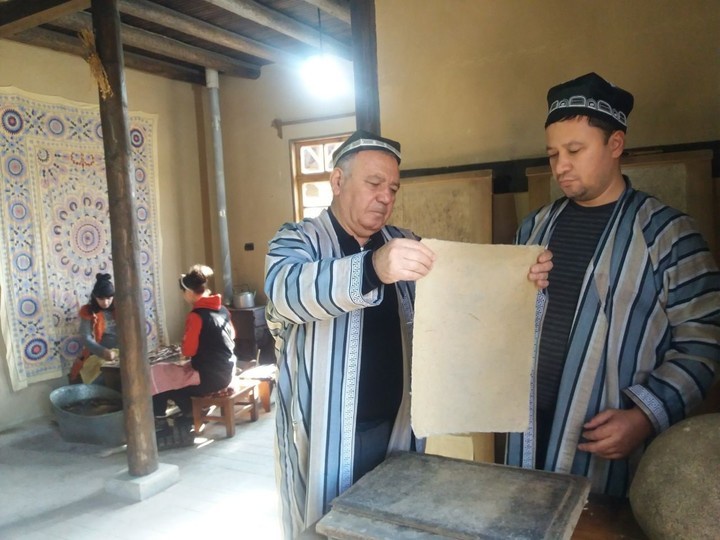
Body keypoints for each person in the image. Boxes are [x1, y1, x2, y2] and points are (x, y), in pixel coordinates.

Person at [265, 130, 553, 537]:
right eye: (374, 183)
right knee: (328, 528)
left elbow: (463, 299)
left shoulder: (403, 242)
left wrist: (523, 281)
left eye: (393, 188)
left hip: (396, 425)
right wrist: (373, 268)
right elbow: (285, 293)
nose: (385, 197)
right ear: (338, 181)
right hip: (324, 427)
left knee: (391, 524)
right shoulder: (298, 239)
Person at [508, 72, 720, 496]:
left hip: (608, 443)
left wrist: (644, 416)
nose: (560, 166)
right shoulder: (534, 228)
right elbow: (505, 320)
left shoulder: (668, 235)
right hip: (526, 430)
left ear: (616, 144)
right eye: (552, 154)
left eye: (574, 150)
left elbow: (705, 341)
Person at [152, 264, 237, 446]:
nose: (183, 296)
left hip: (210, 378)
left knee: (160, 379)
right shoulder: (222, 310)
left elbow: (188, 351)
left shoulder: (196, 316)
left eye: (183, 292)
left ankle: (164, 424)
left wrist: (186, 346)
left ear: (189, 292)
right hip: (228, 369)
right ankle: (190, 413)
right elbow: (233, 336)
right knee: (171, 378)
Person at [69, 272, 118, 384]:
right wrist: (103, 352)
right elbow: (86, 338)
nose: (105, 302)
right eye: (101, 298)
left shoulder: (120, 308)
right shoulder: (88, 311)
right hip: (97, 355)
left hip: (120, 352)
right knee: (101, 378)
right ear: (95, 297)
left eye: (109, 298)